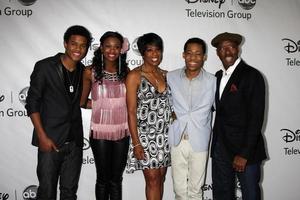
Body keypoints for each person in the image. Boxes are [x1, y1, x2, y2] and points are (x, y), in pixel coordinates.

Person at [25, 25, 92, 200]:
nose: (78, 49)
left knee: (69, 193)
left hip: (75, 142)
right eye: (74, 44)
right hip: (50, 140)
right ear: (65, 44)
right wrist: (42, 137)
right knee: (47, 192)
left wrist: (113, 104)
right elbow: (32, 103)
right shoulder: (45, 66)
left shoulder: (83, 72)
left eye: (83, 45)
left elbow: (81, 103)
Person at [210, 32, 267, 200]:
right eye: (222, 48)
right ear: (217, 53)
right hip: (221, 148)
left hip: (244, 151)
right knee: (222, 194)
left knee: (250, 195)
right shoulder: (218, 77)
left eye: (231, 47)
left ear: (238, 49)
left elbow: (256, 118)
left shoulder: (252, 75)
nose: (227, 51)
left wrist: (244, 154)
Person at [80, 31, 130, 200]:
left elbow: (131, 103)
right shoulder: (90, 72)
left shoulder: (126, 73)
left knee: (116, 180)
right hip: (99, 132)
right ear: (101, 48)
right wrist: (103, 104)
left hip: (122, 132)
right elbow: (81, 102)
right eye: (108, 46)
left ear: (121, 50)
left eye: (116, 47)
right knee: (102, 179)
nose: (112, 50)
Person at [167, 38, 216, 200]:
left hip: (200, 140)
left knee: (196, 190)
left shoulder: (213, 81)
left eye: (198, 54)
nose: (193, 58)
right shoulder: (170, 77)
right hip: (178, 139)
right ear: (183, 55)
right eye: (189, 53)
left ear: (204, 57)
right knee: (179, 190)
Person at [126, 33, 172, 200]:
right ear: (142, 53)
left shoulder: (167, 75)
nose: (154, 54)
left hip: (165, 136)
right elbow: (131, 111)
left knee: (160, 179)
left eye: (158, 50)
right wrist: (136, 143)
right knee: (152, 180)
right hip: (145, 136)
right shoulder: (134, 76)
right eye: (150, 50)